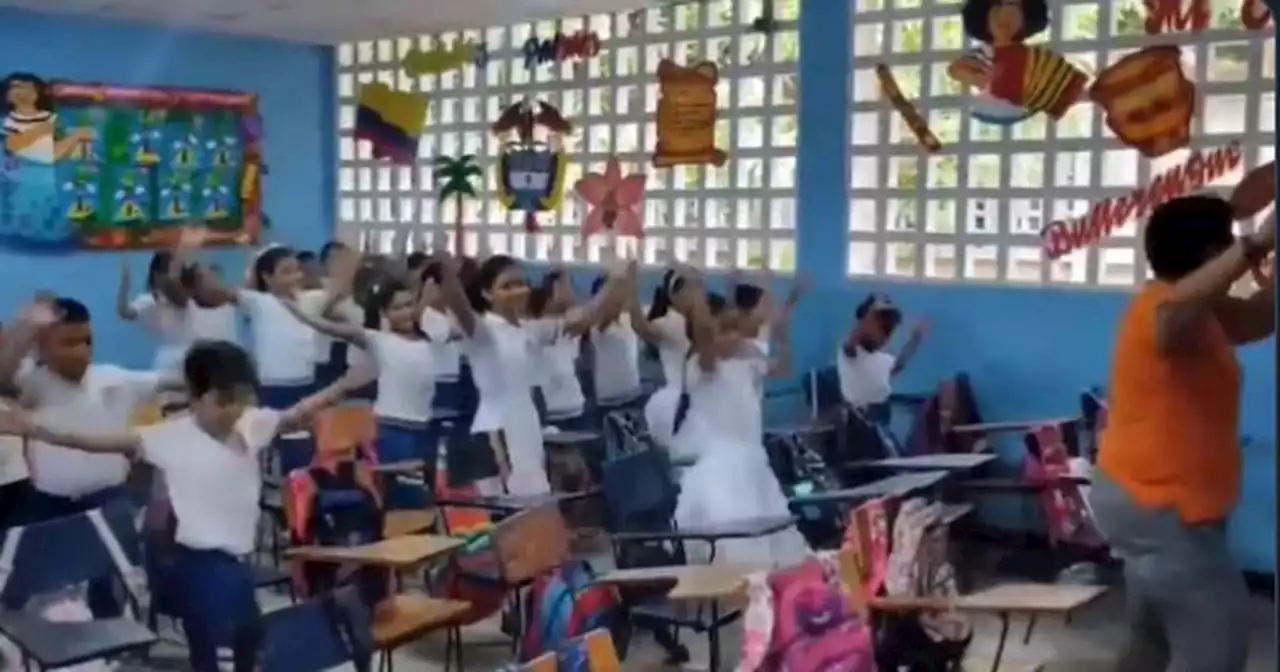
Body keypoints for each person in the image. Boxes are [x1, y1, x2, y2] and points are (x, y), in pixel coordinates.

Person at [0, 340, 349, 672]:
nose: (235, 410)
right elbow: (92, 441)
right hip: (200, 566)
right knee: (217, 651)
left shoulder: (251, 424)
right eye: (224, 400)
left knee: (250, 644)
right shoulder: (168, 437)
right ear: (195, 398)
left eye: (243, 399)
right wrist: (35, 429)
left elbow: (296, 413)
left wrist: (346, 383)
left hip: (238, 564)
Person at [1090, 196, 1275, 672]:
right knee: (1215, 649)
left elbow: (1261, 316)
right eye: (1228, 244)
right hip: (1160, 507)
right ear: (1212, 253)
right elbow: (1174, 317)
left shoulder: (1203, 314)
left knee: (1154, 646)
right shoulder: (1161, 310)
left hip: (1160, 506)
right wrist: (1257, 245)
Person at [0, 297, 172, 616]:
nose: (81, 350)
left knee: (111, 585)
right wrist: (26, 329)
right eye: (68, 343)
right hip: (50, 506)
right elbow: (3, 378)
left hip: (109, 499)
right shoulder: (32, 386)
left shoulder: (115, 378)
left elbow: (177, 381)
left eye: (87, 341)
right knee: (48, 588)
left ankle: (116, 650)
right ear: (42, 348)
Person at [642, 287, 809, 567]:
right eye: (723, 327)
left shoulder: (745, 362)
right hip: (723, 470)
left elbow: (784, 368)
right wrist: (696, 298)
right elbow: (713, 336)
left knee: (778, 547)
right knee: (736, 549)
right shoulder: (701, 366)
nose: (732, 334)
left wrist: (782, 334)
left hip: (753, 463)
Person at [436, 252, 627, 496]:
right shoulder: (484, 332)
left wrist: (615, 281)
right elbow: (461, 308)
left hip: (527, 426)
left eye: (521, 284)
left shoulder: (529, 330)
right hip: (497, 430)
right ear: (487, 294)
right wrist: (448, 275)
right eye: (507, 286)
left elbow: (582, 320)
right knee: (506, 512)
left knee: (534, 505)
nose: (518, 291)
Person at [281, 270, 437, 509]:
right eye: (397, 308)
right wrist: (300, 314)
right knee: (402, 497)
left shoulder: (431, 339)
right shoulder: (378, 340)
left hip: (425, 428)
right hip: (395, 428)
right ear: (384, 314)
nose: (406, 312)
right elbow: (330, 328)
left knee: (428, 495)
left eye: (409, 304)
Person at [836, 294, 926, 410]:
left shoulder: (883, 359)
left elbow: (898, 365)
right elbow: (855, 336)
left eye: (888, 332)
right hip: (857, 416)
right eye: (881, 329)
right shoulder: (851, 353)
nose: (885, 338)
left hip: (882, 414)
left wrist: (915, 341)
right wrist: (871, 312)